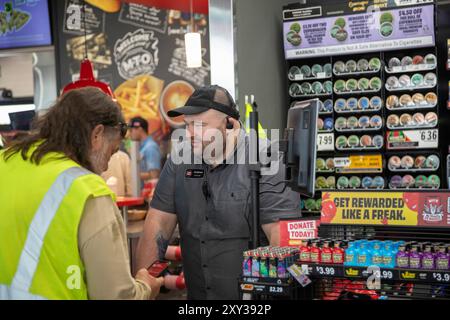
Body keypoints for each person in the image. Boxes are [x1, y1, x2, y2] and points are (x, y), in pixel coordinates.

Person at [136, 85, 301, 300]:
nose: (190, 134)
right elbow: (157, 224)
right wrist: (142, 289)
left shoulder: (266, 159)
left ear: (230, 124)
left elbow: (280, 240)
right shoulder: (179, 161)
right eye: (187, 125)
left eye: (200, 125)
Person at [0, 87, 163, 300]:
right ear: (96, 135)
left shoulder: (6, 161)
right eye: (111, 152)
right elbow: (114, 296)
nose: (105, 167)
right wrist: (146, 287)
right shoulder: (87, 191)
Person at [128, 117, 161, 188]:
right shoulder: (141, 147)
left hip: (148, 195)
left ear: (139, 129)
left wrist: (131, 175)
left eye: (131, 130)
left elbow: (154, 175)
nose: (129, 134)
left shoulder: (150, 147)